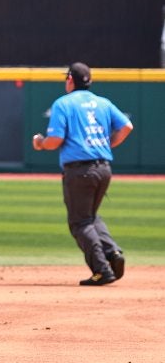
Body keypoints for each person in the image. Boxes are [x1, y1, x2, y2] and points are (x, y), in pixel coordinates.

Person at [32, 62, 133, 286]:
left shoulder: (63, 104)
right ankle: (112, 253)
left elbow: (55, 140)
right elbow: (127, 126)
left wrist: (39, 143)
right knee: (90, 217)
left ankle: (101, 269)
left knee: (79, 222)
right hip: (103, 167)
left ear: (70, 80)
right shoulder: (103, 103)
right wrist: (106, 145)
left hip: (80, 170)